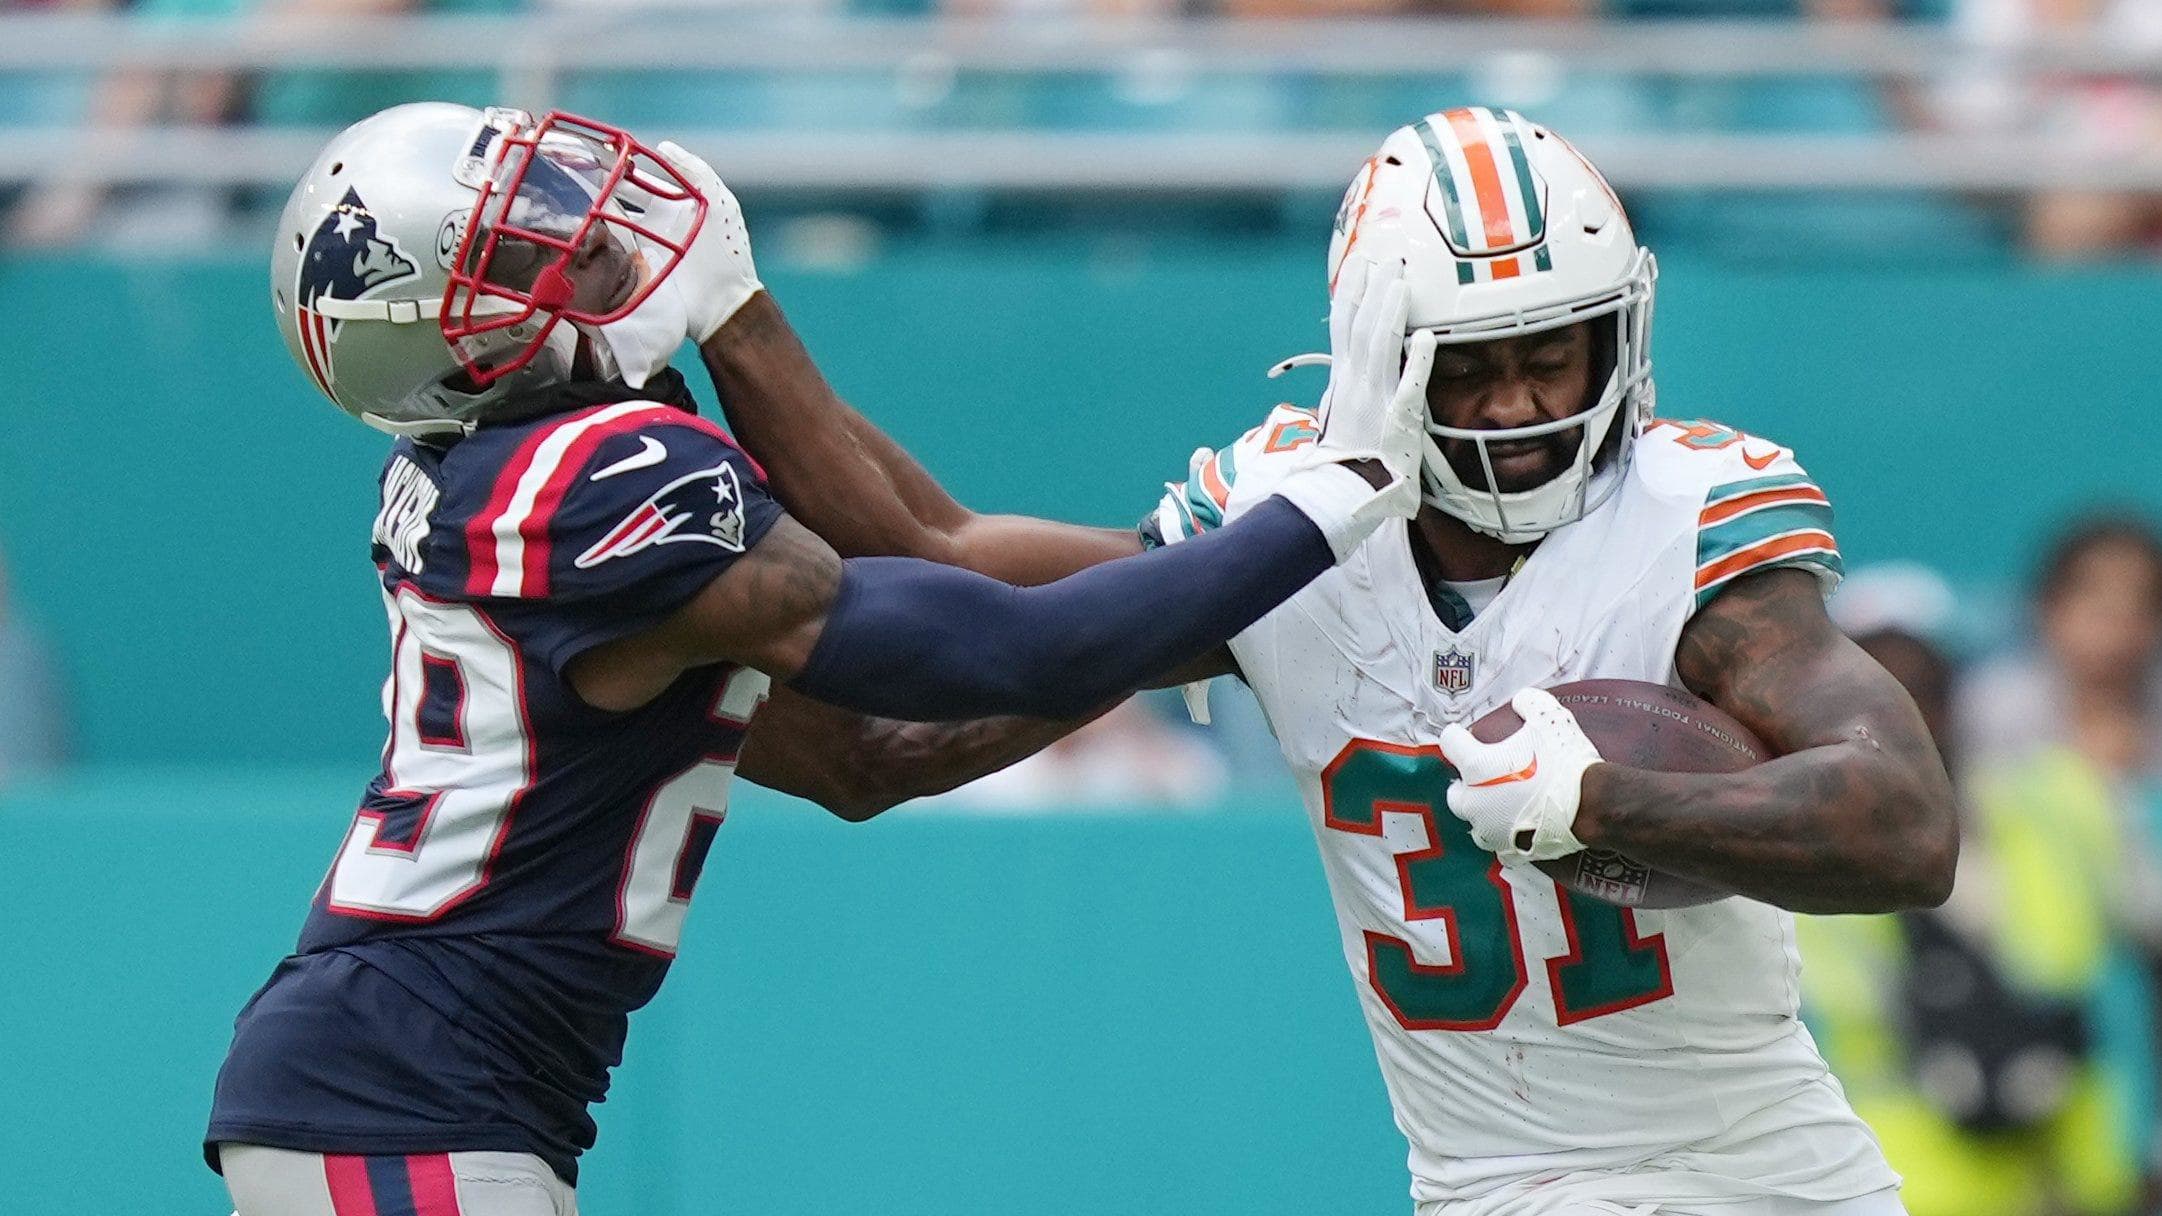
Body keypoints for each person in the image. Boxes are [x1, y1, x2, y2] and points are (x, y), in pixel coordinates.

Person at [683, 106, 1959, 1215]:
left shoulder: (1686, 522)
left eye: (1549, 354)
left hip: (1764, 1168)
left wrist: (1602, 802)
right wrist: (725, 315)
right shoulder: (1287, 525)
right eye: (1472, 367)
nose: (1521, 408)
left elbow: (1901, 826)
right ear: (1380, 355)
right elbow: (919, 606)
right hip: (1492, 1180)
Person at [206, 102, 1430, 1215]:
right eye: (519, 246)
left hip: (404, 1091)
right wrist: (1309, 519)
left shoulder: (538, 497)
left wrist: (1198, 586)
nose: (578, 231)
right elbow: (993, 638)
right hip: (402, 1096)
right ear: (453, 343)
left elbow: (867, 755)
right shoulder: (589, 485)